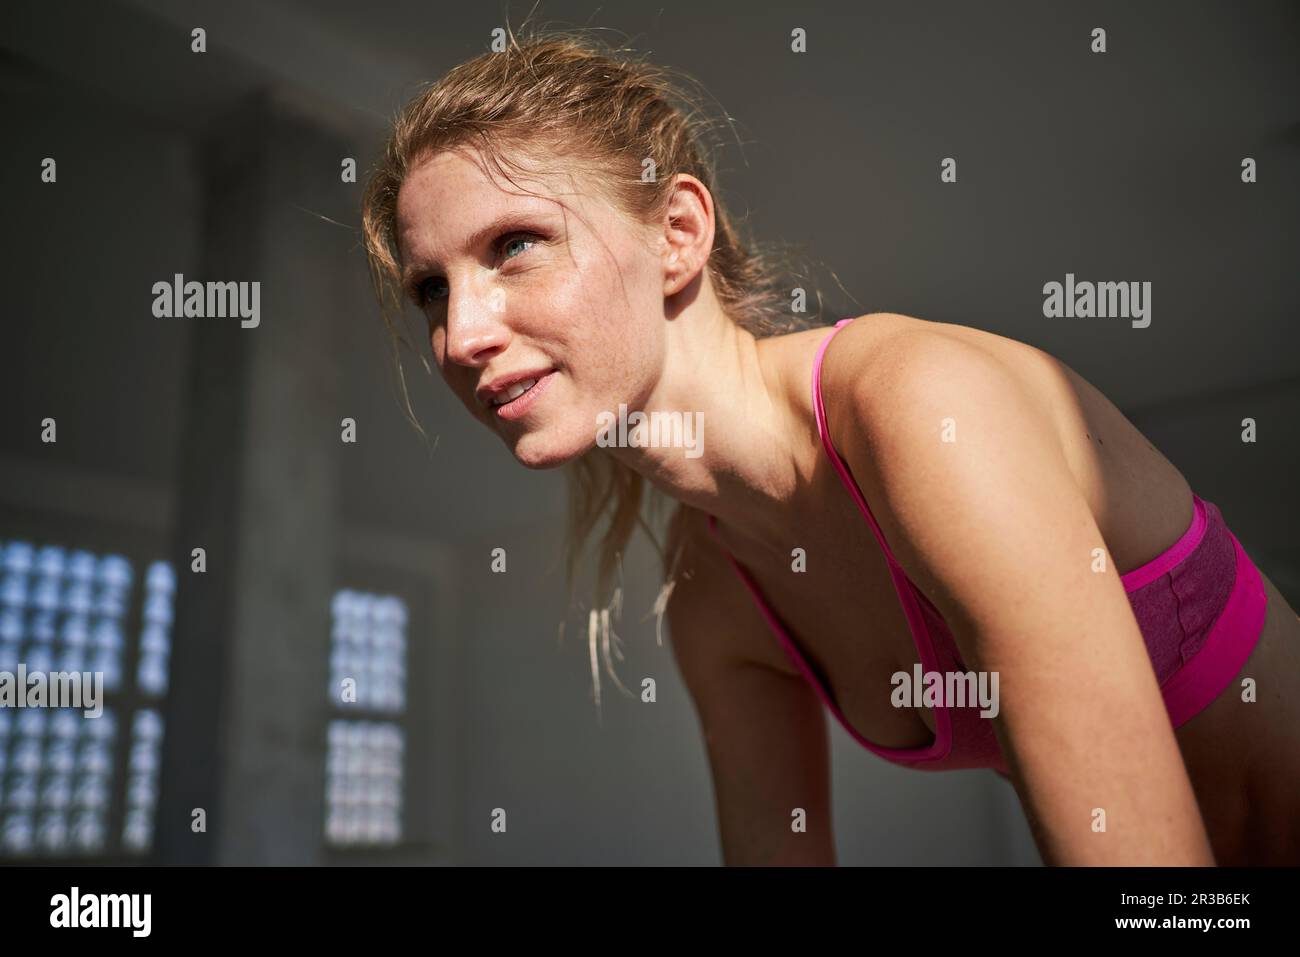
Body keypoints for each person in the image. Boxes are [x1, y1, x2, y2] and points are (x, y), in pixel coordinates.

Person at [360, 27, 1300, 866]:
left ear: (678, 234)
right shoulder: (715, 596)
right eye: (432, 290)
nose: (462, 333)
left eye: (516, 243)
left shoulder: (917, 405)